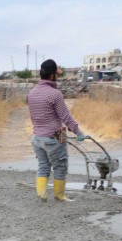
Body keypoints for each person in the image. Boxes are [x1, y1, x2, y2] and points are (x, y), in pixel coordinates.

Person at [27, 59, 88, 202]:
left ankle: (42, 194)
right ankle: (60, 195)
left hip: (37, 137)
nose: (58, 76)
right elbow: (65, 116)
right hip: (55, 136)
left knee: (43, 166)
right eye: (57, 74)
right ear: (52, 75)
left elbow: (33, 115)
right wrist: (78, 132)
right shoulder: (55, 94)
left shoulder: (32, 93)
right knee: (60, 166)